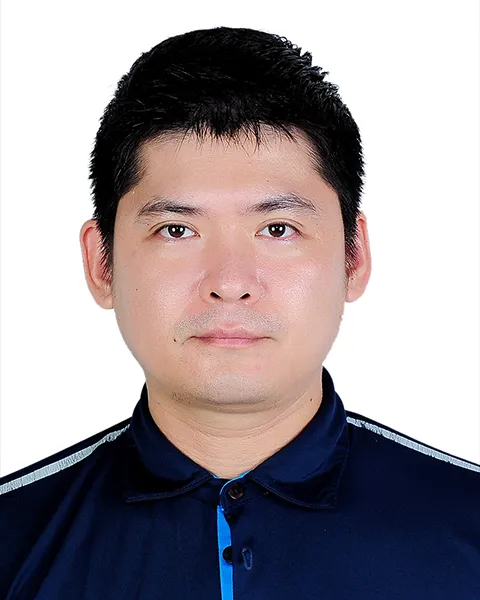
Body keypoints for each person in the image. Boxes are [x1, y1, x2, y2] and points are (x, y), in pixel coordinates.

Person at [0, 25, 478, 600]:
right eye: (176, 230)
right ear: (101, 263)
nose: (229, 284)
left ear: (353, 257)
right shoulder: (13, 541)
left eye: (278, 228)